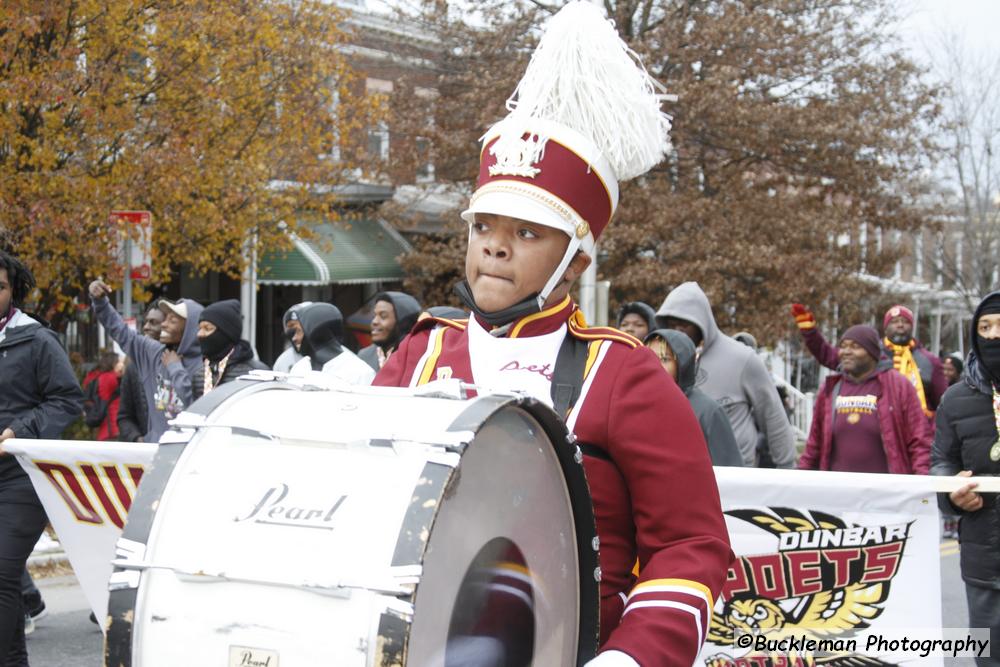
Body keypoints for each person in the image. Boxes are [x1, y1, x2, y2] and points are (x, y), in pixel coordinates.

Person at [374, 4, 732, 663]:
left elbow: (693, 545)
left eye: (526, 232)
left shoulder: (625, 376)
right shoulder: (416, 359)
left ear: (578, 260)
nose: (496, 249)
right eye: (484, 227)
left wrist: (628, 658)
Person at [0, 251, 82, 665]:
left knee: (0, 573)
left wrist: (19, 430)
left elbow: (67, 401)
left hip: (20, 475)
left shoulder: (35, 338)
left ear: (13, 290)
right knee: (6, 579)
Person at [656, 282, 797, 468]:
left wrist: (787, 470)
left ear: (702, 322)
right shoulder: (659, 361)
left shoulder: (741, 358)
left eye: (684, 326)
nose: (677, 332)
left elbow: (772, 417)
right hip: (681, 472)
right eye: (672, 326)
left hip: (735, 476)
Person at [932, 291, 1000, 665]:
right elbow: (941, 462)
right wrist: (952, 495)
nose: (992, 337)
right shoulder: (956, 399)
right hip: (983, 560)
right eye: (985, 328)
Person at [798, 325, 929, 474]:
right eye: (843, 346)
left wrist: (922, 484)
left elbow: (919, 441)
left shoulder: (898, 385)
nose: (847, 352)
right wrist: (800, 478)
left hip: (888, 491)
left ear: (872, 352)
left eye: (855, 347)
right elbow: (814, 444)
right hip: (838, 490)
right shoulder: (831, 388)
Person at [791, 303, 948, 423]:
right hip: (877, 427)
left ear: (912, 326)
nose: (900, 325)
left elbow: (943, 404)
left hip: (918, 429)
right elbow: (828, 355)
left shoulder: (930, 361)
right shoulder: (870, 354)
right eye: (894, 322)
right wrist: (809, 332)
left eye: (904, 321)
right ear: (886, 328)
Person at [89, 280, 203, 442]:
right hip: (153, 451)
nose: (164, 324)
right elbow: (121, 332)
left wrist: (175, 368)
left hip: (185, 456)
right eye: (165, 319)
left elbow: (195, 411)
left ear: (190, 328)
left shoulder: (204, 365)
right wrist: (100, 302)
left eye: (172, 320)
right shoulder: (153, 353)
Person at [644, 329, 744, 467]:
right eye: (650, 358)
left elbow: (730, 472)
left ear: (683, 364)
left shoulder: (707, 411)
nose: (656, 365)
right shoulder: (636, 407)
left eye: (664, 359)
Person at [194, 299, 268, 397]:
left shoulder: (256, 373)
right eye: (200, 328)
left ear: (226, 333)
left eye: (207, 328)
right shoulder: (199, 375)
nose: (200, 334)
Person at [290, 303, 375, 384]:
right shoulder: (299, 368)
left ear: (316, 331)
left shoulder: (360, 373)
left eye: (299, 331)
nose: (294, 338)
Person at [117, 303, 163, 442]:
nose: (146, 327)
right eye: (146, 322)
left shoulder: (182, 365)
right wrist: (137, 438)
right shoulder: (133, 369)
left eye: (153, 322)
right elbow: (125, 417)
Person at [357, 292, 421, 372]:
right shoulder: (364, 356)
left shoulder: (419, 357)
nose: (374, 321)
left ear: (402, 322)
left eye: (383, 316)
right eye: (374, 316)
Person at [272, 302, 312, 373]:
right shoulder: (283, 361)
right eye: (292, 331)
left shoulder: (334, 358)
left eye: (300, 330)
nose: (295, 338)